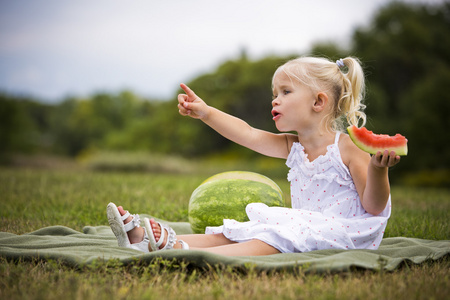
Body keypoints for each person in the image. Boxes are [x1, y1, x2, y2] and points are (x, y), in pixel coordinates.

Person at [107, 56, 401, 256]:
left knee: (271, 237)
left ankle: (180, 251)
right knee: (243, 231)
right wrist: (206, 113)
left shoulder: (348, 147)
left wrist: (378, 169)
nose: (275, 99)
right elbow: (246, 133)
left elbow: (373, 207)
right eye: (275, 93)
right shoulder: (292, 146)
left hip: (345, 236)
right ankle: (146, 242)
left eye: (286, 92)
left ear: (318, 101)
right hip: (304, 226)